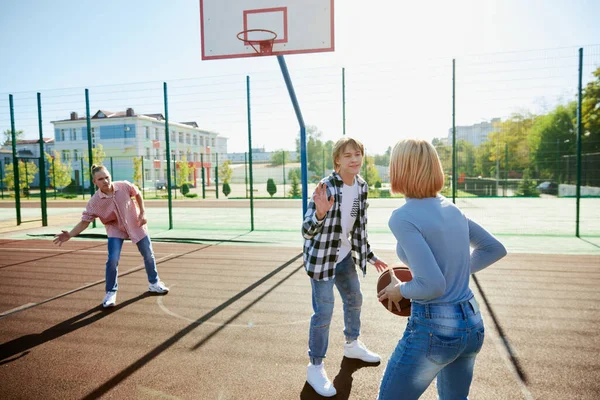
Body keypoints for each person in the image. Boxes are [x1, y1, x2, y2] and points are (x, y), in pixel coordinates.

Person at [377, 139, 507, 400]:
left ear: (400, 170)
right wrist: (455, 272)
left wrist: (399, 290)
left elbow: (432, 284)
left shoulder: (402, 217)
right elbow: (494, 248)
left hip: (436, 327)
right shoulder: (453, 209)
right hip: (472, 323)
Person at [302, 136, 388, 397]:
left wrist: (370, 256)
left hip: (344, 256)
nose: (354, 159)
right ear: (337, 160)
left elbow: (359, 228)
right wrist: (319, 213)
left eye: (358, 154)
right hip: (322, 260)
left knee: (355, 299)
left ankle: (352, 344)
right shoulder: (327, 187)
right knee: (324, 313)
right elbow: (306, 231)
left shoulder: (361, 186)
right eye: (348, 155)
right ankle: (315, 366)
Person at [54, 164, 169, 308]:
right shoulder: (94, 202)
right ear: (95, 182)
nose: (105, 181)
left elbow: (138, 194)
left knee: (148, 254)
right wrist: (70, 234)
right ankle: (110, 292)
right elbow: (84, 222)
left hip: (135, 223)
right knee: (112, 259)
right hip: (115, 229)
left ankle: (154, 283)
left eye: (107, 177)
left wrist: (142, 213)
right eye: (101, 179)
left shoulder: (124, 186)